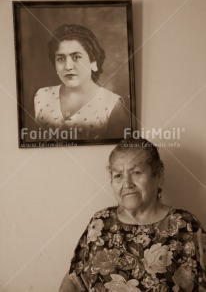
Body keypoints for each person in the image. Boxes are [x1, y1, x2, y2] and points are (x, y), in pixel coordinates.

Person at [59, 138, 206, 292]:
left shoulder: (185, 225)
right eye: (118, 175)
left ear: (159, 175)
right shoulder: (100, 222)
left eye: (136, 172)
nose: (127, 184)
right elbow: (74, 280)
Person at [34, 24, 130, 140]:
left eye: (76, 57)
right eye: (60, 58)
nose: (68, 66)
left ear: (93, 62)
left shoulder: (113, 106)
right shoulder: (42, 96)